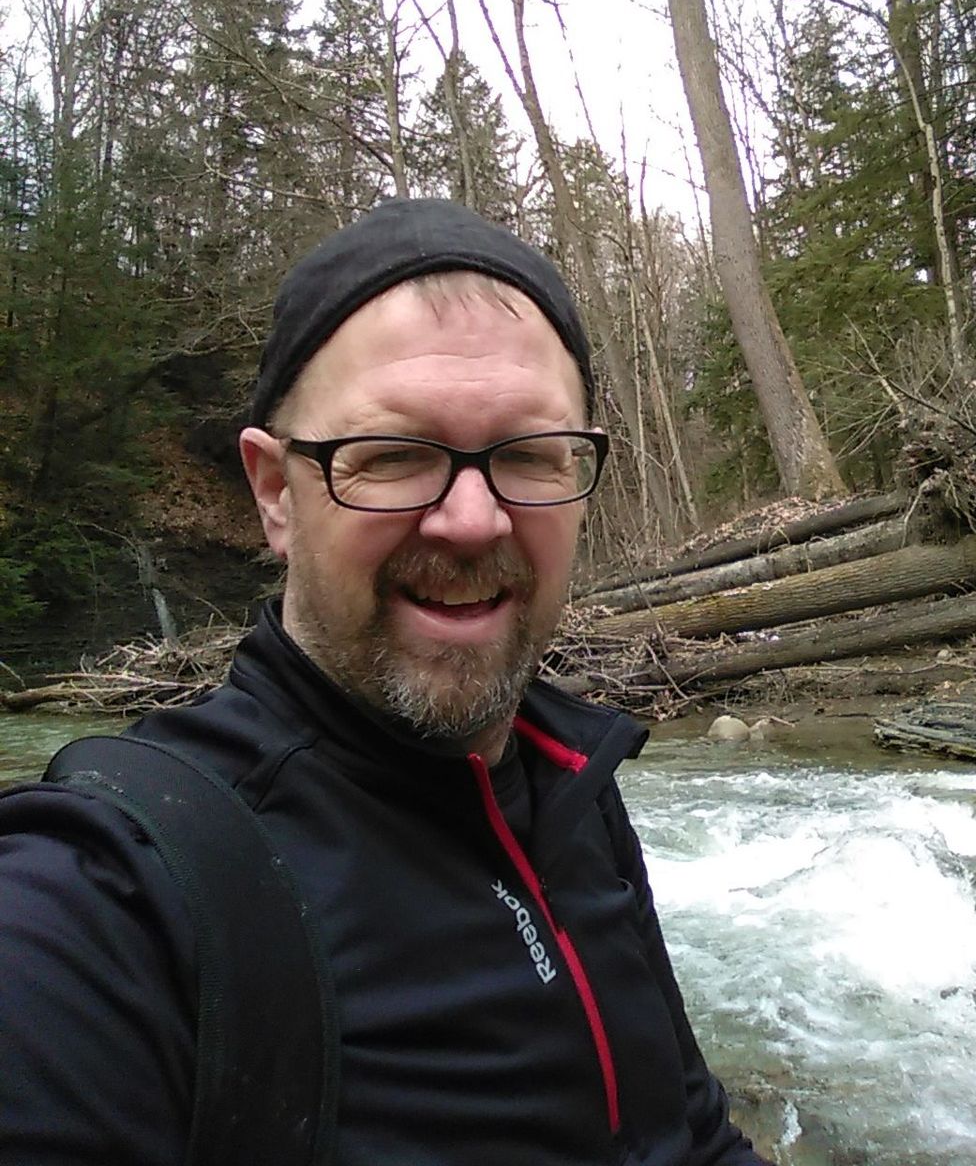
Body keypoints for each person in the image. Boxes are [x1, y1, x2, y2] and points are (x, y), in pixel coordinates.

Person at [0, 199, 773, 1165]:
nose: (472, 520)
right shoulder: (112, 897)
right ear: (277, 493)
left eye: (529, 455)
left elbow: (690, 1133)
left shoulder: (576, 779)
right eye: (395, 457)